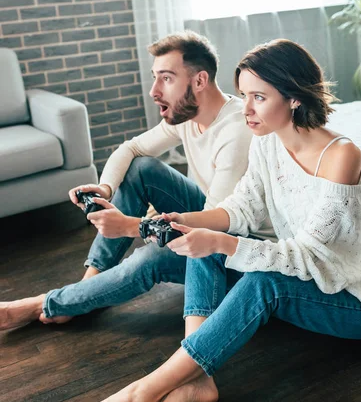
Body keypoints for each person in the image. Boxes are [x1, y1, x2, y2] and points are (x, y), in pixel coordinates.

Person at [53, 39, 361, 402]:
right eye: (245, 94)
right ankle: (196, 378)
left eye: (258, 97)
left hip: (360, 300)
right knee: (209, 237)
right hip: (307, 285)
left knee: (256, 278)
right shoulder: (268, 141)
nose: (245, 108)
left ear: (293, 98)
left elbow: (306, 256)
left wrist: (220, 244)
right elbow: (239, 210)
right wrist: (174, 222)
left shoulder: (342, 156)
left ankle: (141, 393)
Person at [0, 31, 261, 330]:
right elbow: (131, 149)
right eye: (155, 77)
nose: (154, 90)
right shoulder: (189, 116)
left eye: (166, 78)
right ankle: (89, 286)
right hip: (208, 212)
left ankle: (45, 303)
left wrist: (132, 226)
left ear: (199, 81)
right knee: (141, 168)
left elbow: (212, 224)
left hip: (238, 244)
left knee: (150, 258)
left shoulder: (235, 131)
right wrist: (105, 188)